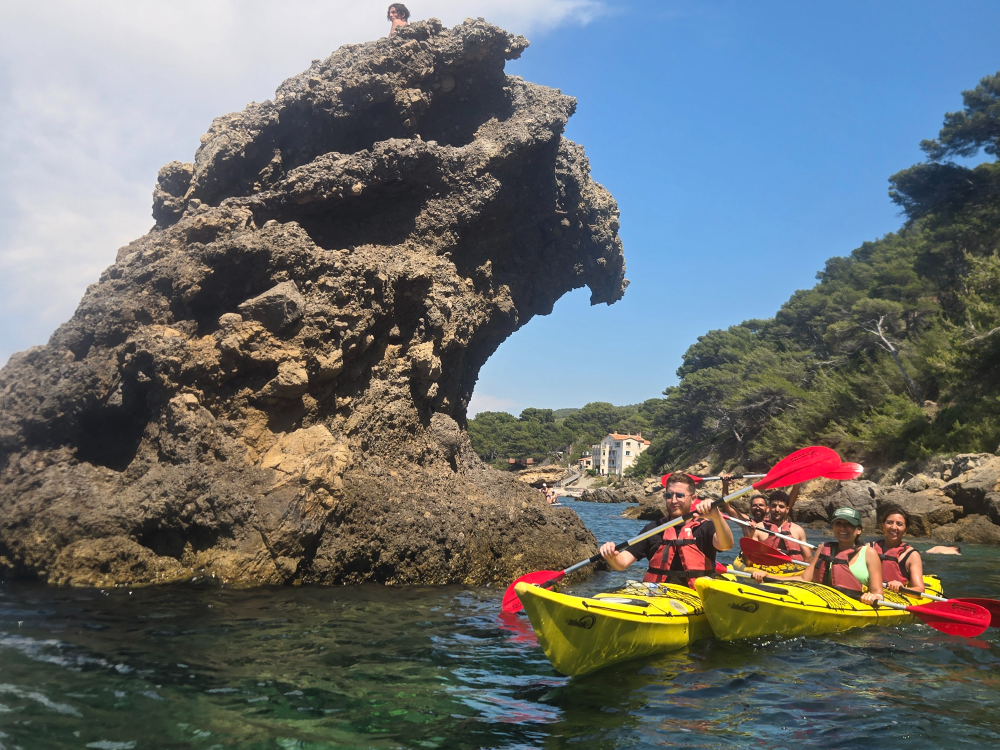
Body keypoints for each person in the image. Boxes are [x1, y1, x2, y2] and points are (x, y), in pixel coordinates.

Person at [599, 474, 734, 588]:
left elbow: (726, 545)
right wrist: (612, 556)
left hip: (694, 597)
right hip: (658, 596)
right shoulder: (653, 529)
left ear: (693, 498)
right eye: (669, 495)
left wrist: (716, 516)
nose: (673, 501)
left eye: (680, 495)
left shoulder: (706, 527)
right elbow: (622, 563)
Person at [752, 507, 884, 605]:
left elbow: (878, 592)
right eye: (838, 524)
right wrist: (768, 577)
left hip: (855, 604)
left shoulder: (869, 553)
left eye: (848, 524)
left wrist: (874, 597)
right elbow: (804, 578)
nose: (842, 528)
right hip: (824, 601)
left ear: (859, 530)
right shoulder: (823, 549)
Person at [869, 505, 925, 593]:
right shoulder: (869, 548)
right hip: (870, 594)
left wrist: (901, 588)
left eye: (899, 524)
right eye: (889, 522)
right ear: (883, 525)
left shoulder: (911, 555)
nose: (894, 527)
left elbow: (920, 589)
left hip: (895, 596)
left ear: (905, 530)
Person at [752, 489, 808, 561]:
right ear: (769, 508)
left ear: (787, 509)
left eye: (781, 506)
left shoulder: (798, 530)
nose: (777, 510)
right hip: (766, 566)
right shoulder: (758, 529)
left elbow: (808, 558)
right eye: (774, 506)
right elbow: (750, 559)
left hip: (793, 567)